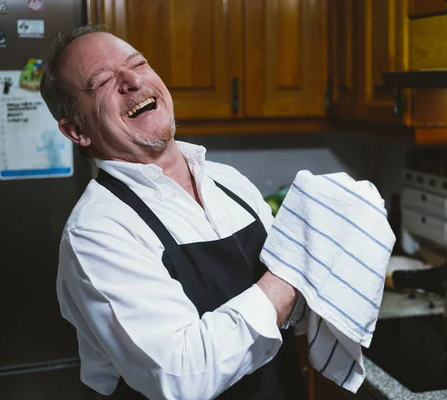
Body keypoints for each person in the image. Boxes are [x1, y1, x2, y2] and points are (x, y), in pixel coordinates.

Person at [41, 25, 307, 400]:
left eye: (138, 63)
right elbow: (182, 377)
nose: (132, 80)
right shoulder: (97, 231)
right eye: (102, 81)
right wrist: (294, 270)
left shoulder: (229, 182)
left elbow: (290, 314)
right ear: (76, 130)